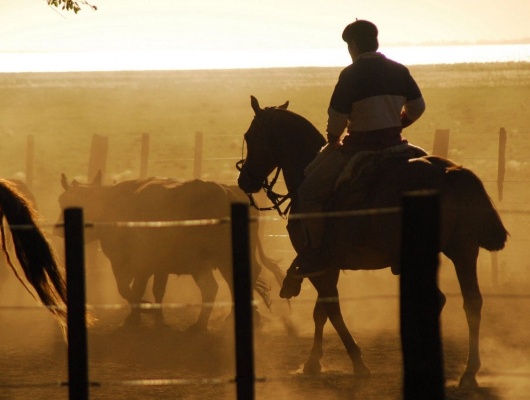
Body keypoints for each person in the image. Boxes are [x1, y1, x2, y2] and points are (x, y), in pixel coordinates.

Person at [291, 19, 426, 279]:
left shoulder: (350, 74)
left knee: (308, 192)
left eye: (348, 46)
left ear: (353, 45)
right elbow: (418, 107)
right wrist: (398, 123)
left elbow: (337, 118)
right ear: (375, 42)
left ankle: (317, 252)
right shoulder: (399, 70)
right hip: (397, 146)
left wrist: (333, 137)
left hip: (359, 150)